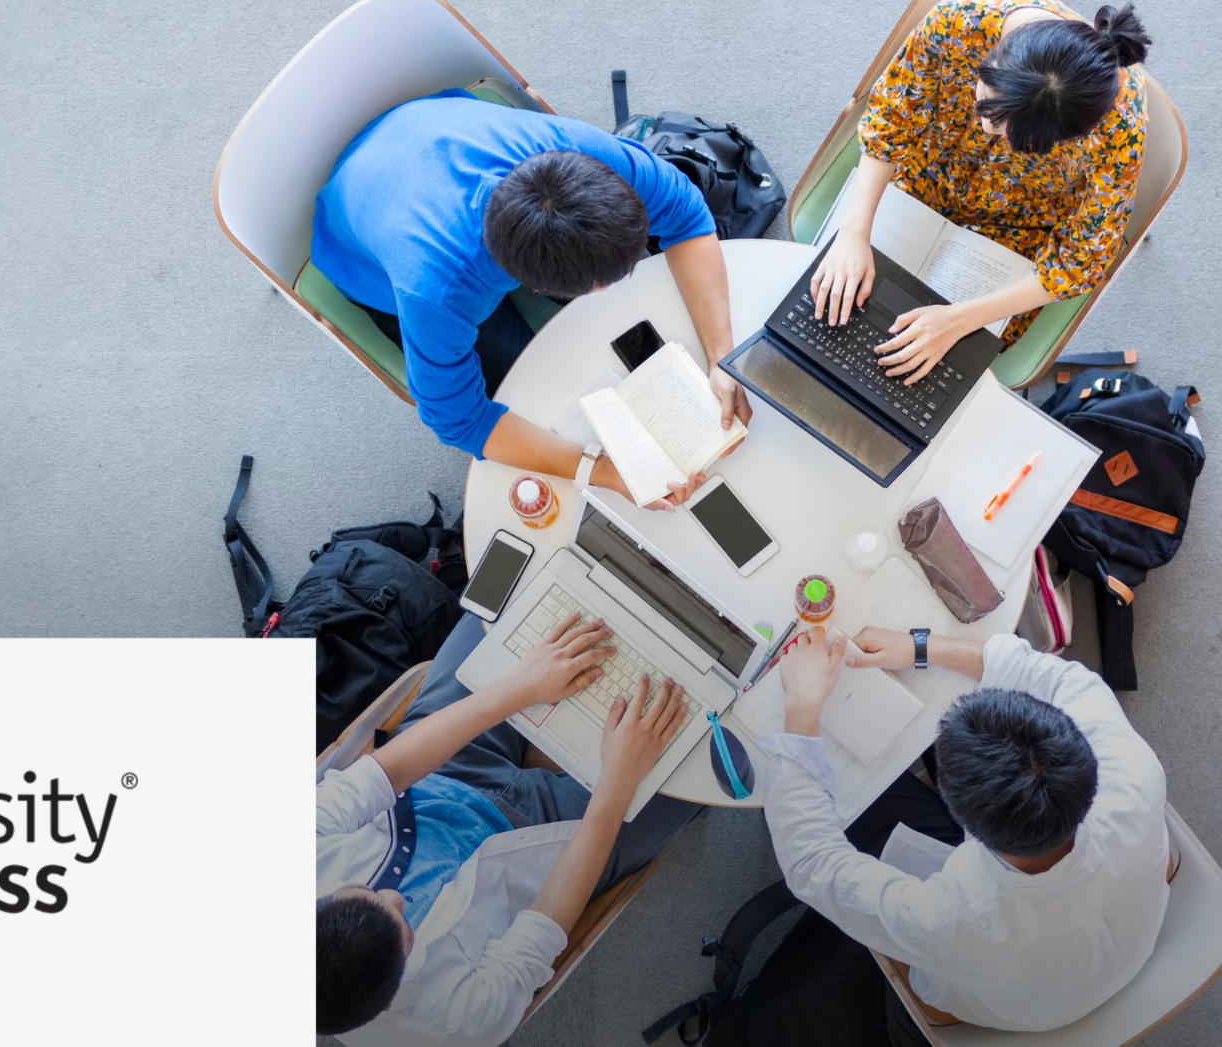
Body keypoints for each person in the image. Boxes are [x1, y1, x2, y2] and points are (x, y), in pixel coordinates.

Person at [311, 89, 748, 509]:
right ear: (531, 284)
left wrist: (720, 358)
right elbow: (457, 419)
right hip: (359, 243)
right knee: (523, 384)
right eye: (602, 284)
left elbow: (687, 214)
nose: (615, 288)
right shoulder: (436, 292)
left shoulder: (584, 153)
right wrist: (604, 472)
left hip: (420, 128)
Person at [745, 624, 1167, 1038]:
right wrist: (920, 646)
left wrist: (802, 705)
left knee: (864, 803)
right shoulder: (1135, 774)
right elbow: (1063, 676)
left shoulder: (952, 922)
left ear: (968, 827)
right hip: (1123, 935)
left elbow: (811, 862)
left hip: (992, 996)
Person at [317, 611, 702, 1045]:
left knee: (506, 611)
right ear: (387, 1005)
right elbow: (549, 917)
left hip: (442, 772)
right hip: (549, 844)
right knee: (704, 754)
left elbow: (387, 771)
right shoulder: (458, 1023)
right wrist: (620, 780)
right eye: (401, 923)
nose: (393, 896)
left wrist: (520, 686)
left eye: (366, 893)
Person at [812, 1, 1151, 385]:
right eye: (987, 101)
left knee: (937, 373)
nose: (989, 128)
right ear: (992, 57)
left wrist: (961, 319)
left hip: (1021, 221)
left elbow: (1082, 260)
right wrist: (853, 234)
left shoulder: (1121, 125)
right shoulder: (957, 24)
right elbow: (892, 120)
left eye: (1013, 133)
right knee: (843, 306)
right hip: (927, 171)